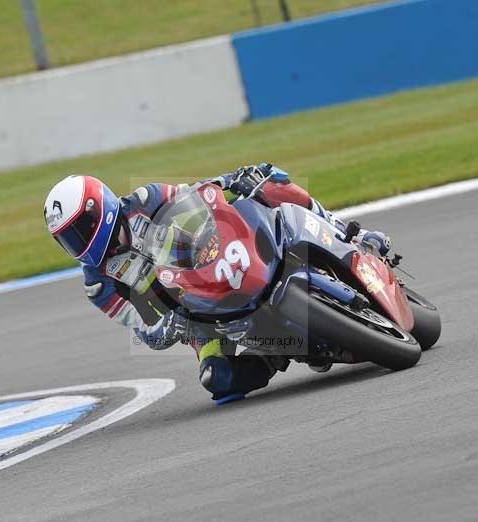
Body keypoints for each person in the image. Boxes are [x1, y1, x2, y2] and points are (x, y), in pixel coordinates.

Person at [43, 164, 392, 401]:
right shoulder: (98, 285)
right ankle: (275, 353)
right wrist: (162, 328)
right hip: (195, 319)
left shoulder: (147, 200)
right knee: (218, 381)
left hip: (220, 255)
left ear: (99, 209)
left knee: (272, 184)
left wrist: (232, 181)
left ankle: (352, 235)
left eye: (80, 228)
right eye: (67, 239)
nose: (78, 242)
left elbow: (197, 196)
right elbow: (138, 325)